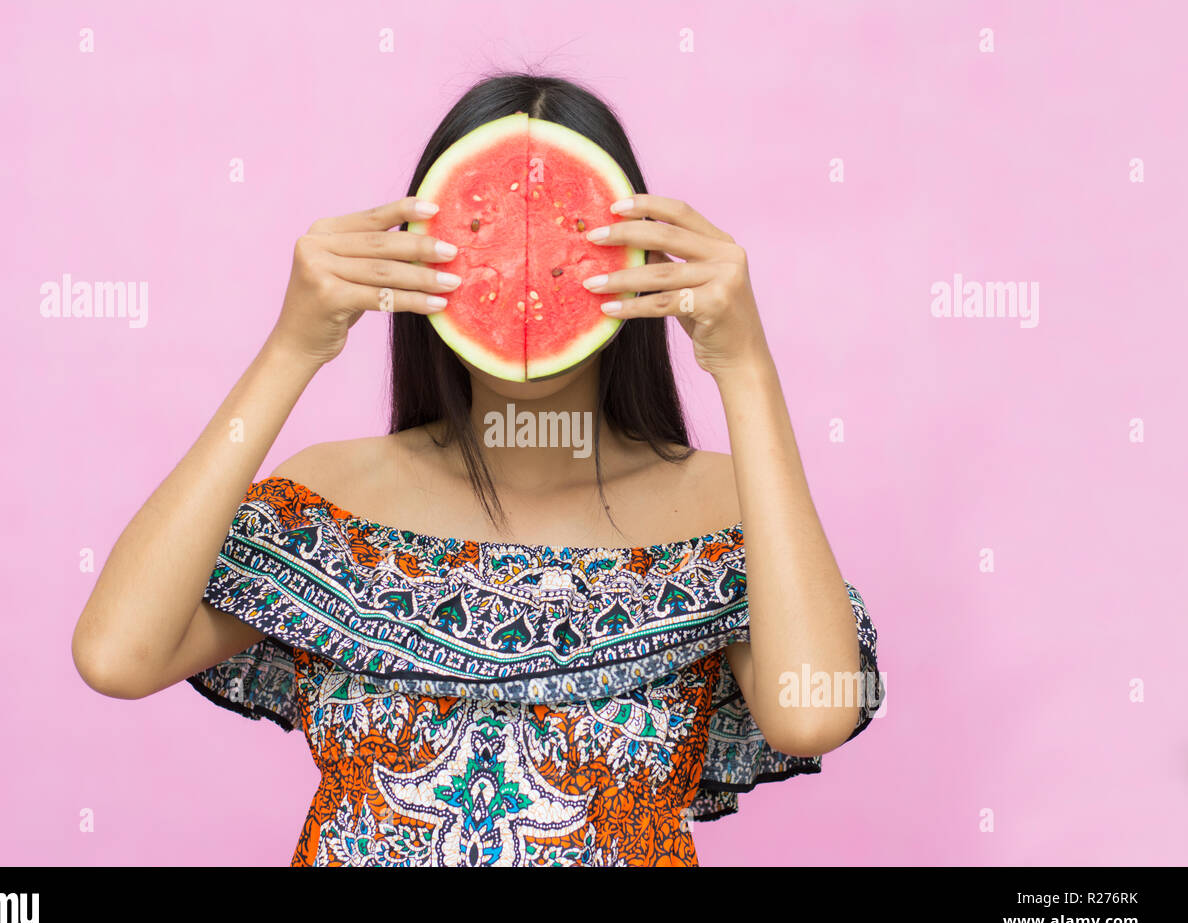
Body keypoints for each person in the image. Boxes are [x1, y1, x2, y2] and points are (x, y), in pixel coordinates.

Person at [71, 72, 884, 867]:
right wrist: (294, 348)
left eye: (562, 253)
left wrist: (745, 366)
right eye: (487, 245)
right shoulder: (332, 496)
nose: (525, 280)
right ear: (422, 261)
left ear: (641, 258)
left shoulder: (723, 511)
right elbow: (118, 655)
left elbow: (811, 715)